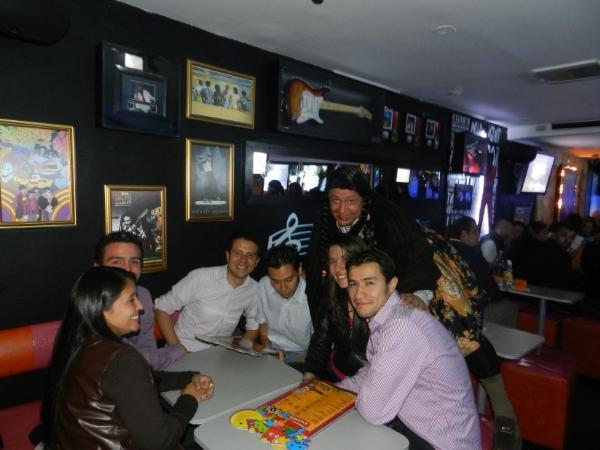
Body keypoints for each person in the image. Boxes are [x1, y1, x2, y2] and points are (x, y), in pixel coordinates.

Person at [305, 167, 519, 449]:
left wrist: (418, 295)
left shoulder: (387, 217)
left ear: (364, 200)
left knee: (462, 334)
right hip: (383, 308)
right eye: (335, 200)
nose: (342, 209)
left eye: (350, 201)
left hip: (413, 284)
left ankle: (503, 411)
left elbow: (416, 257)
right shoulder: (326, 227)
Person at [41, 266, 214, 449]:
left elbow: (136, 382)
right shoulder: (122, 359)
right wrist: (189, 398)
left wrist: (187, 378)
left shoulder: (78, 343)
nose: (140, 307)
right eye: (131, 300)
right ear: (103, 308)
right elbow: (160, 441)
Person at [337, 249, 480, 450]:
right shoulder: (389, 317)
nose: (358, 294)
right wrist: (332, 393)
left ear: (392, 284)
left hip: (440, 443)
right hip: (413, 428)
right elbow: (373, 372)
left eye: (369, 283)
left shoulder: (402, 326)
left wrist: (346, 398)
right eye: (353, 284)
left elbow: (373, 411)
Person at [155, 231, 261, 352]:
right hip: (185, 349)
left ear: (257, 262)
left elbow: (253, 325)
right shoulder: (201, 278)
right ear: (228, 255)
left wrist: (241, 350)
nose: (243, 260)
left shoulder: (255, 290)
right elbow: (161, 308)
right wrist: (178, 350)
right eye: (238, 253)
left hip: (219, 355)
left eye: (250, 256)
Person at [93, 231, 185, 369]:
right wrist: (177, 351)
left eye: (134, 261)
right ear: (97, 268)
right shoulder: (90, 302)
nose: (127, 269)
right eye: (117, 261)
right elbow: (127, 358)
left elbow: (147, 350)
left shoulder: (142, 295)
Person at [303, 234, 370, 382]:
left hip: (368, 383)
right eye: (332, 261)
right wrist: (310, 374)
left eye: (345, 259)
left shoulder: (377, 299)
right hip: (334, 375)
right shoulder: (331, 296)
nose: (338, 268)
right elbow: (321, 339)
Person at [448, 216, 518, 327]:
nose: (478, 235)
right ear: (464, 234)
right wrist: (499, 296)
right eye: (475, 232)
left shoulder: (441, 250)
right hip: (470, 312)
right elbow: (491, 289)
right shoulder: (474, 256)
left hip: (447, 308)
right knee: (510, 307)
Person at [251, 245, 313, 363]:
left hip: (302, 355)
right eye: (275, 281)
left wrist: (288, 366)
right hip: (271, 349)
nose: (283, 288)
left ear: (299, 269)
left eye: (289, 280)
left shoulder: (312, 296)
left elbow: (320, 346)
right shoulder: (264, 284)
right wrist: (269, 352)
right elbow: (263, 325)